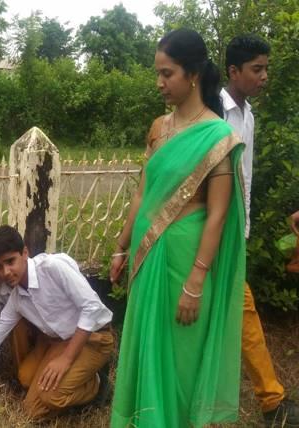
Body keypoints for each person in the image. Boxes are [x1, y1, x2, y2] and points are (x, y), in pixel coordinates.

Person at [110, 29, 247, 427]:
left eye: (166, 73)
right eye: (157, 73)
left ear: (193, 75)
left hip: (186, 260)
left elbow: (218, 215)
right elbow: (142, 193)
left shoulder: (218, 137)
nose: (159, 82)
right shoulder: (158, 127)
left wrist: (195, 283)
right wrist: (121, 245)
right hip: (148, 256)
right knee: (145, 348)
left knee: (181, 360)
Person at [0, 225, 114, 418]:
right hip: (61, 341)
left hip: (94, 337)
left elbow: (92, 308)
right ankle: (74, 377)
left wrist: (65, 360)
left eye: (10, 261)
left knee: (50, 398)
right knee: (28, 387)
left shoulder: (53, 267)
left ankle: (97, 385)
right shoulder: (16, 298)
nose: (5, 272)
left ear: (25, 253)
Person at [221, 34, 299, 427]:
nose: (265, 76)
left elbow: (244, 178)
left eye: (266, 68)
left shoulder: (247, 115)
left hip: (235, 231)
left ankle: (269, 398)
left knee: (235, 310)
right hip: (211, 233)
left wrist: (244, 228)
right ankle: (271, 400)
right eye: (257, 69)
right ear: (233, 72)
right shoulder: (214, 112)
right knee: (241, 309)